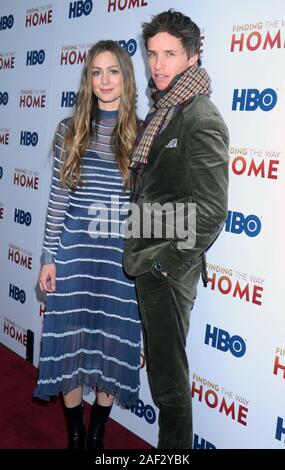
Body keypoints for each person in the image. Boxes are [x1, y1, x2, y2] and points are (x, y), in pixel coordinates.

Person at [123, 10, 229, 449]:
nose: (158, 64)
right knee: (163, 379)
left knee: (169, 388)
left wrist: (165, 265)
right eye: (152, 54)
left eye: (169, 54)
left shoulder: (200, 117)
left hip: (166, 268)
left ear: (192, 56)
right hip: (148, 259)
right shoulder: (165, 109)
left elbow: (212, 211)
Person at [34, 40, 141, 450]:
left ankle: (98, 431)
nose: (105, 80)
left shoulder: (142, 132)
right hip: (75, 254)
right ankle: (76, 433)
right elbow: (58, 199)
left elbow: (144, 207)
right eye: (96, 72)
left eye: (113, 71)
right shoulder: (70, 128)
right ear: (88, 79)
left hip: (119, 262)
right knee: (69, 346)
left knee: (112, 346)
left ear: (126, 77)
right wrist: (48, 257)